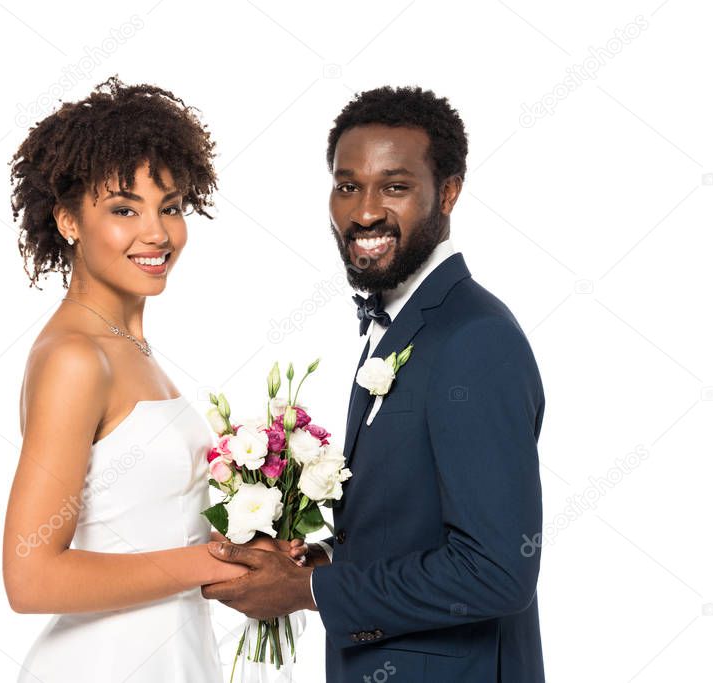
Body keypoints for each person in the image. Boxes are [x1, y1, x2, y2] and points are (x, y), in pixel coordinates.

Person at [202, 86, 547, 682]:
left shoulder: (474, 340)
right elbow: (419, 523)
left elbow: (497, 572)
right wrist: (327, 557)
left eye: (395, 186)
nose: (364, 212)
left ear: (450, 191)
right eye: (347, 185)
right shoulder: (407, 324)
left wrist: (313, 590)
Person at [2, 76, 305, 683]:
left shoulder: (129, 349)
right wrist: (212, 561)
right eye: (123, 209)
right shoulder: (75, 357)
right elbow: (31, 576)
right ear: (67, 220)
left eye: (170, 207)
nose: (157, 234)